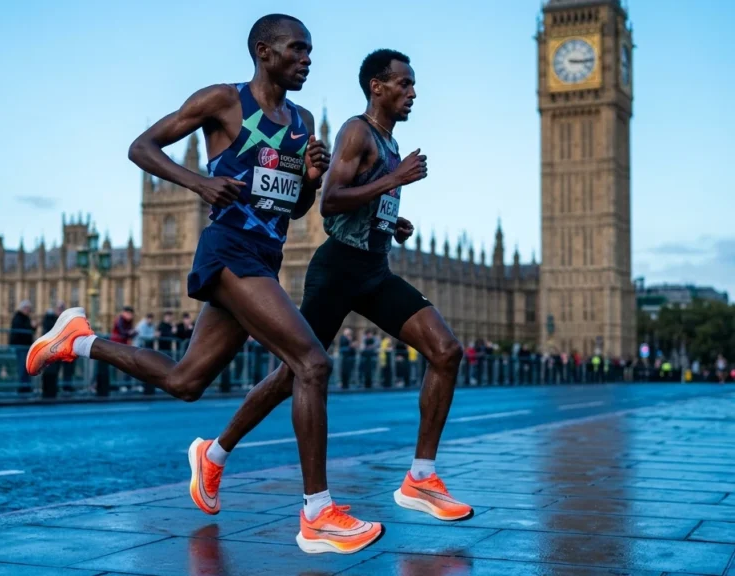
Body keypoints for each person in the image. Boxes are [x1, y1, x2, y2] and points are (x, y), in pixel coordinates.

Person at [27, 14, 383, 554]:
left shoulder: (304, 120)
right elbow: (142, 147)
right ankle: (317, 512)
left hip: (264, 256)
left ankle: (77, 340)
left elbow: (292, 207)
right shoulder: (224, 101)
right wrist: (198, 182)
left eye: (311, 52)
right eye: (298, 50)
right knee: (311, 362)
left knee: (186, 381)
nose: (307, 59)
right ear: (264, 52)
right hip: (228, 251)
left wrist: (310, 180)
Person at [194, 49, 472, 524]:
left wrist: (392, 221)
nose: (413, 92)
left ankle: (421, 477)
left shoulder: (387, 141)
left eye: (413, 84)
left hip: (373, 270)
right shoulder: (357, 130)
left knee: (446, 351)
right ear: (377, 87)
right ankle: (216, 453)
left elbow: (362, 205)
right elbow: (331, 202)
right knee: (294, 375)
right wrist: (396, 180)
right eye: (404, 84)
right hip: (337, 271)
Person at [10, 300, 37, 393]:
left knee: (26, 368)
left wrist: (33, 327)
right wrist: (31, 327)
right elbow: (21, 331)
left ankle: (26, 388)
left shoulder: (26, 318)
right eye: (28, 309)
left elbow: (29, 331)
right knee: (22, 368)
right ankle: (23, 389)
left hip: (26, 346)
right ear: (23, 308)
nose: (29, 311)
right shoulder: (18, 317)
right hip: (21, 346)